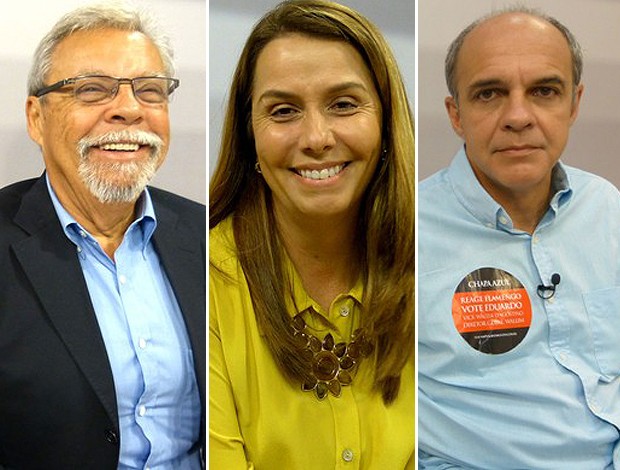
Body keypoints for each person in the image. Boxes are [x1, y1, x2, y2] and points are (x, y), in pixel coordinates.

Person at [209, 0, 414, 468]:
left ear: (386, 123)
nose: (317, 138)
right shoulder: (205, 279)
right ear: (249, 137)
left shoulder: (436, 262)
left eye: (343, 104)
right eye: (283, 111)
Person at [0, 3, 205, 468]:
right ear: (37, 117)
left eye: (151, 91)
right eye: (93, 90)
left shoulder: (208, 235)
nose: (129, 110)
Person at [418, 6, 620, 469]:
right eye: (489, 94)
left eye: (544, 91)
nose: (518, 116)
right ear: (456, 114)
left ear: (574, 104)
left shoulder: (606, 207)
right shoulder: (406, 230)